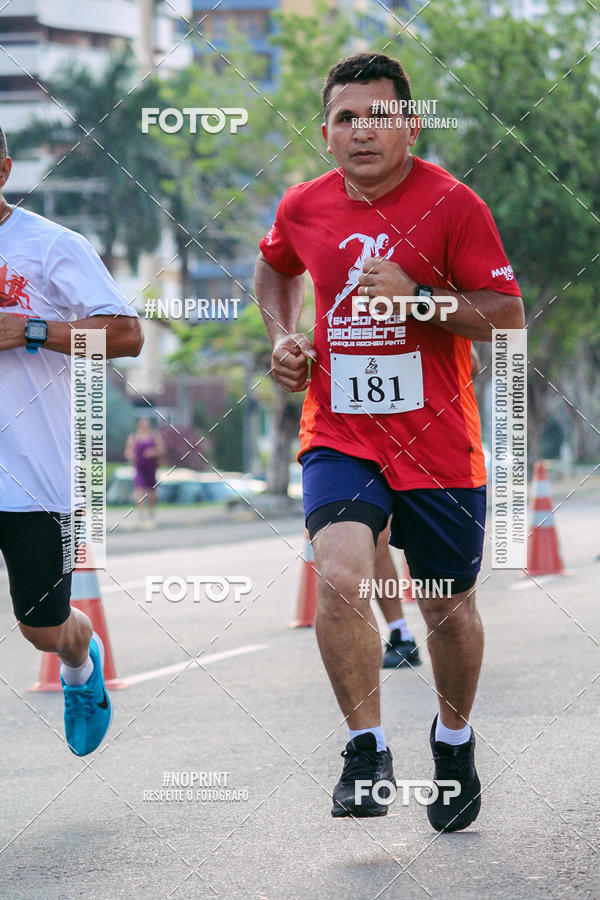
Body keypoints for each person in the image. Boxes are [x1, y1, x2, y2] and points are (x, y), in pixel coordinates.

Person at [255, 54, 524, 831]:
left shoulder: (454, 204)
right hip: (340, 433)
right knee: (340, 578)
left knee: (447, 610)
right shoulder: (303, 205)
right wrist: (283, 338)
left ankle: (453, 740)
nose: (361, 131)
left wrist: (420, 299)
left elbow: (506, 316)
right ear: (326, 134)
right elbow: (274, 268)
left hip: (438, 441)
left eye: (378, 116)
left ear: (410, 126)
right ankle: (366, 751)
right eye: (345, 118)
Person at [0, 126, 143, 756]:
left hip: (36, 479)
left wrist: (31, 330)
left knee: (42, 628)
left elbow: (126, 336)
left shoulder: (51, 246)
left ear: (3, 170)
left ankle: (80, 663)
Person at [125, 416, 165, 527]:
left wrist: (153, 452)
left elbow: (161, 449)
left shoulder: (153, 436)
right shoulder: (133, 437)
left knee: (151, 491)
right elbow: (128, 451)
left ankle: (151, 512)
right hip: (139, 467)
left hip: (151, 467)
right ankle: (141, 514)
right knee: (139, 489)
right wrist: (131, 455)